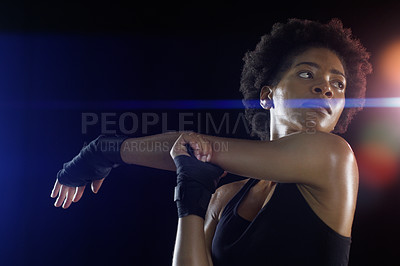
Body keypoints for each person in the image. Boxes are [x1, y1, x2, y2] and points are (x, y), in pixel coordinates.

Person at [51, 18, 372, 265]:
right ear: (266, 95)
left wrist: (105, 149)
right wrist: (191, 198)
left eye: (338, 83)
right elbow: (195, 151)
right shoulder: (224, 197)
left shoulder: (334, 158)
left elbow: (200, 146)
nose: (326, 88)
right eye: (306, 74)